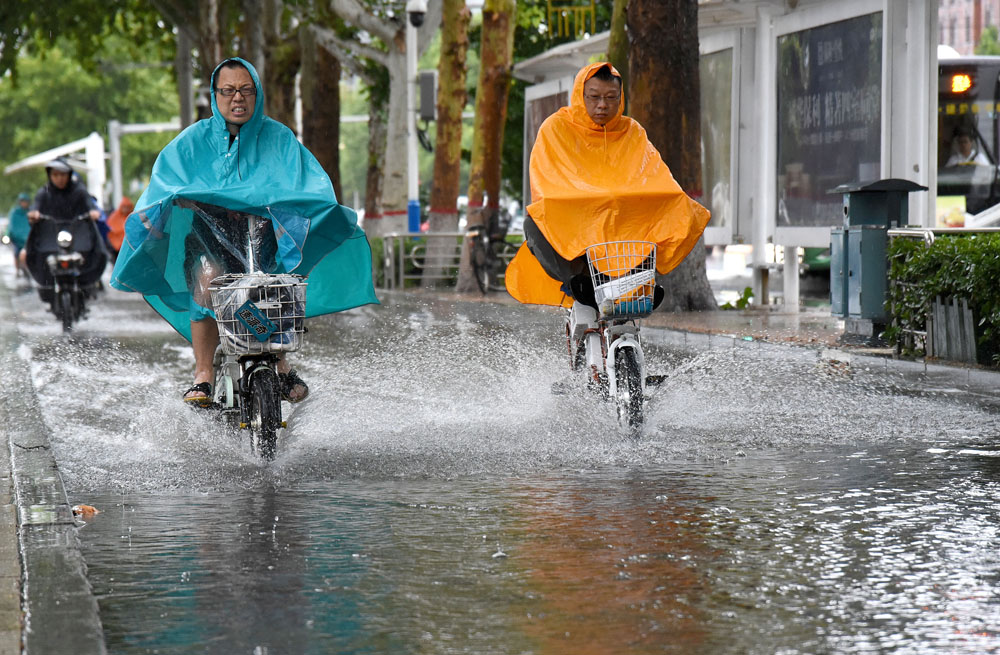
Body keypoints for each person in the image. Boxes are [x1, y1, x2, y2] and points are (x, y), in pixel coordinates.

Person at [111, 57, 377, 404]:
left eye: (246, 90)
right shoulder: (192, 141)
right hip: (208, 238)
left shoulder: (280, 138)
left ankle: (280, 363)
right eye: (229, 90)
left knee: (276, 289)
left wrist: (306, 207)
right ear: (215, 95)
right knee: (206, 283)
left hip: (264, 238)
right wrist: (179, 200)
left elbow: (309, 183)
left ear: (257, 94)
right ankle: (203, 373)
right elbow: (163, 184)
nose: (238, 98)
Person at [505, 62, 709, 317]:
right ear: (581, 96)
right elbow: (547, 181)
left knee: (669, 212)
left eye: (611, 98)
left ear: (620, 98)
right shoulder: (556, 128)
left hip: (623, 222)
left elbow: (654, 176)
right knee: (535, 223)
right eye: (594, 97)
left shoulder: (631, 131)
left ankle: (641, 282)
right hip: (575, 221)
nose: (602, 105)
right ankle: (577, 283)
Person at [24, 158, 106, 300]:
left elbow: (90, 206)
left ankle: (86, 283)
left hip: (78, 234)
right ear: (50, 175)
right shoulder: (44, 192)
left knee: (97, 252)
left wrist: (93, 213)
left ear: (69, 175)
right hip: (50, 236)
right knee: (31, 254)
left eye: (62, 175)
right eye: (55, 175)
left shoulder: (79, 191)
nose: (59, 179)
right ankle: (47, 287)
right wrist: (34, 214)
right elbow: (35, 207)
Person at [5, 192, 31, 278]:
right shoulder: (14, 213)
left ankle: (28, 269)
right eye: (23, 201)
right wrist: (8, 235)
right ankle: (17, 270)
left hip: (28, 239)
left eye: (26, 201)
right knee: (16, 253)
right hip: (17, 240)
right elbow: (11, 226)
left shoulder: (30, 212)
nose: (24, 203)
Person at [105, 195, 133, 260]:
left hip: (128, 247)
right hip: (116, 248)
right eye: (124, 207)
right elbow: (109, 230)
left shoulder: (131, 216)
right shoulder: (114, 217)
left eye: (127, 207)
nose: (126, 209)